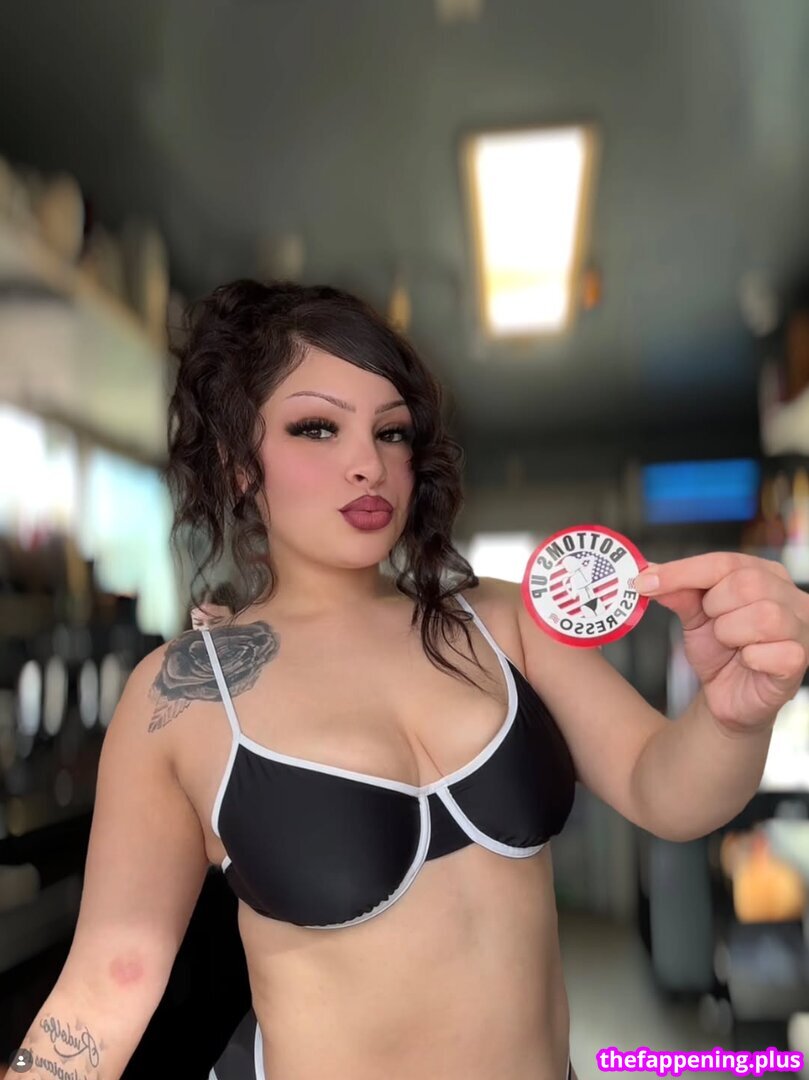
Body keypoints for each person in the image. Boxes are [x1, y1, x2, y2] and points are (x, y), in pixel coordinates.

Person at [12, 280, 809, 1080]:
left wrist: (733, 715)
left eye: (390, 431)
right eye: (316, 428)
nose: (368, 464)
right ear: (238, 464)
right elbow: (107, 986)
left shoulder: (501, 621)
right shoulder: (185, 696)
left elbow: (664, 791)